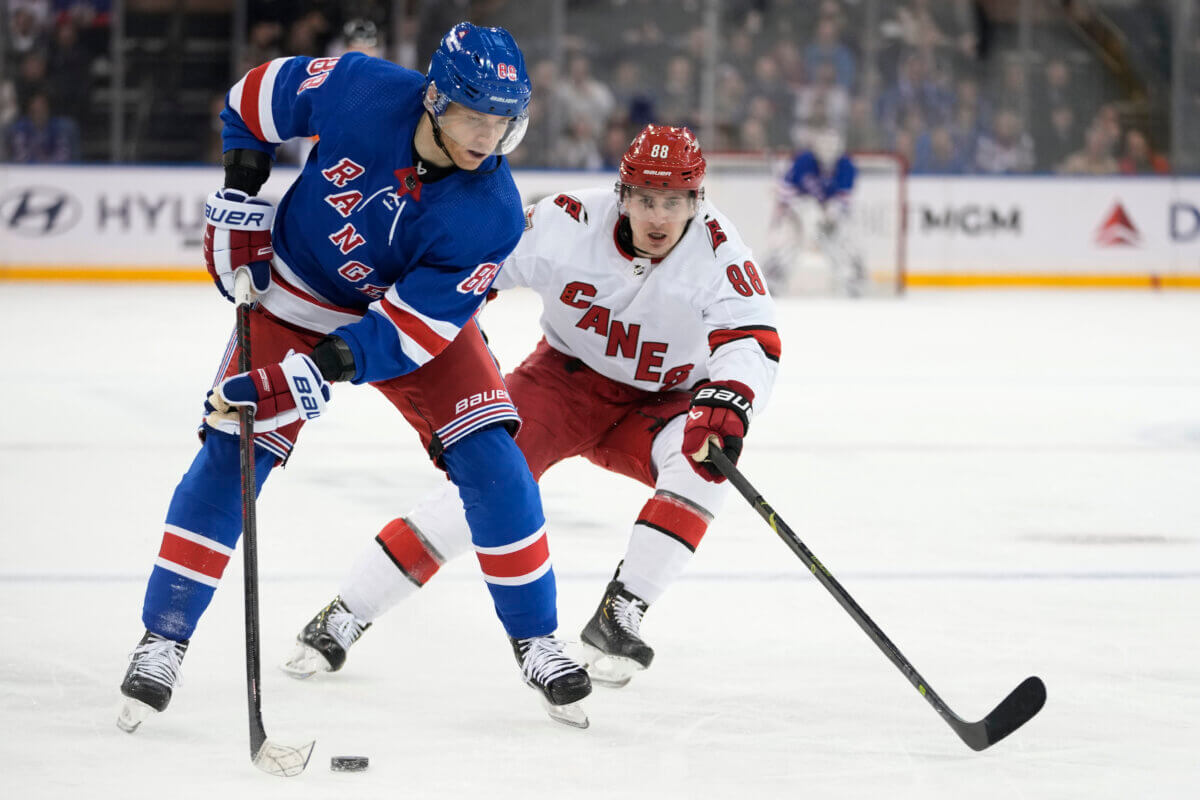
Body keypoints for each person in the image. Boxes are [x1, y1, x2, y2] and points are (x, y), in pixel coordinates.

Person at [117, 21, 592, 735]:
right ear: (434, 97)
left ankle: (537, 640)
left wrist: (320, 371)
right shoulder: (358, 88)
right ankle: (164, 637)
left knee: (494, 459)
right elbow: (251, 101)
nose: (487, 137)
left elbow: (411, 333)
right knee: (232, 452)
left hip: (403, 324)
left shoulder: (491, 213)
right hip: (296, 292)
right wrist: (242, 191)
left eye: (503, 121)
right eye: (472, 115)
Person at [283, 124, 780, 691]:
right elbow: (476, 270)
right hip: (560, 385)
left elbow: (749, 340)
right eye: (645, 199)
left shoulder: (719, 253)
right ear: (622, 194)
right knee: (481, 490)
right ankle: (347, 611)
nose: (658, 217)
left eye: (673, 201)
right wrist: (445, 329)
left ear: (698, 200)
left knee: (706, 462)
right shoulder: (568, 221)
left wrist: (730, 401)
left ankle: (621, 613)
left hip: (662, 404)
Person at [764, 127, 863, 296]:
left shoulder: (846, 165)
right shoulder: (804, 161)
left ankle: (851, 280)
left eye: (832, 146)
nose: (827, 151)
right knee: (787, 244)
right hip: (798, 211)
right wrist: (797, 212)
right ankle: (770, 281)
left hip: (830, 215)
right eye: (824, 146)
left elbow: (844, 198)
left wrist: (832, 211)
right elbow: (786, 191)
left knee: (842, 243)